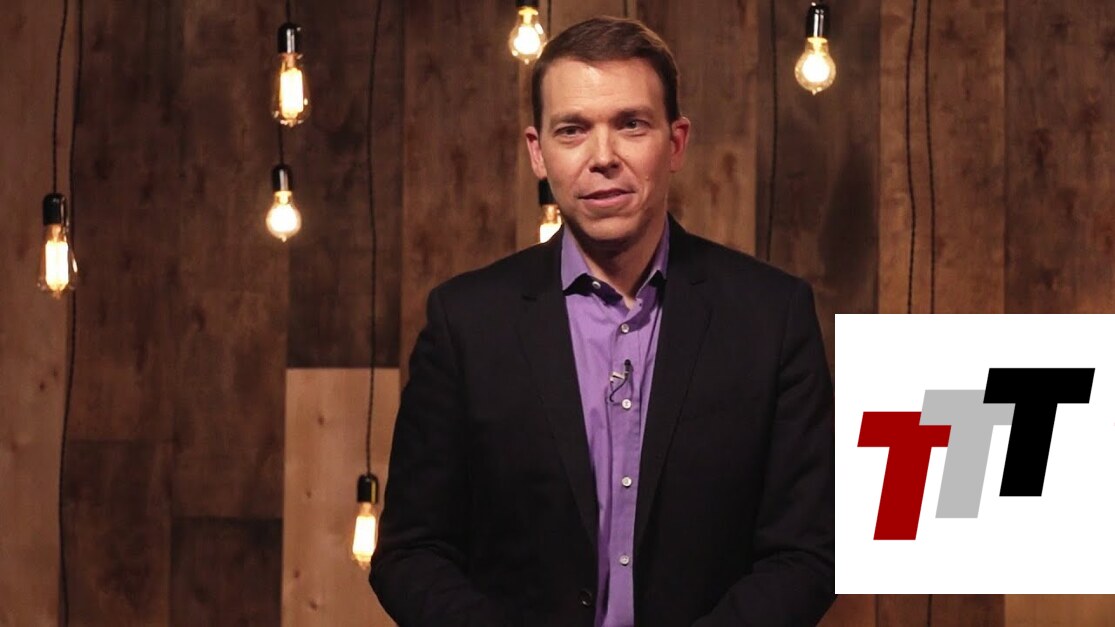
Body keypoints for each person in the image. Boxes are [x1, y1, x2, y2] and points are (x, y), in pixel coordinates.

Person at [369, 16, 834, 627]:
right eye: (573, 130)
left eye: (631, 124)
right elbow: (410, 554)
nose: (603, 157)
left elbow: (807, 555)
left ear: (676, 142)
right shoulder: (466, 322)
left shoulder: (772, 317)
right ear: (538, 152)